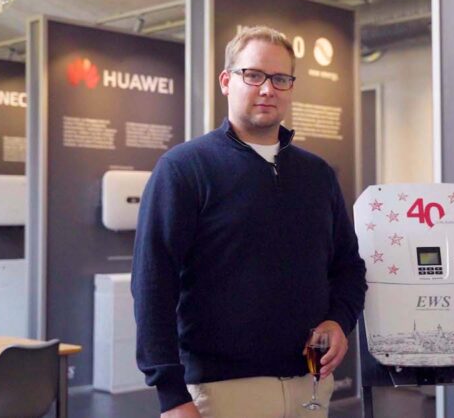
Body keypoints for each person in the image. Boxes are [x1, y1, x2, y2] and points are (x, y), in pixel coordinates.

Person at [132, 25, 367, 418]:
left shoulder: (317, 174)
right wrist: (170, 395)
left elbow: (348, 267)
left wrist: (339, 320)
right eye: (253, 75)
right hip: (219, 391)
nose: (267, 89)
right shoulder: (185, 168)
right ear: (226, 81)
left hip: (308, 386)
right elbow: (153, 283)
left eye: (280, 78)